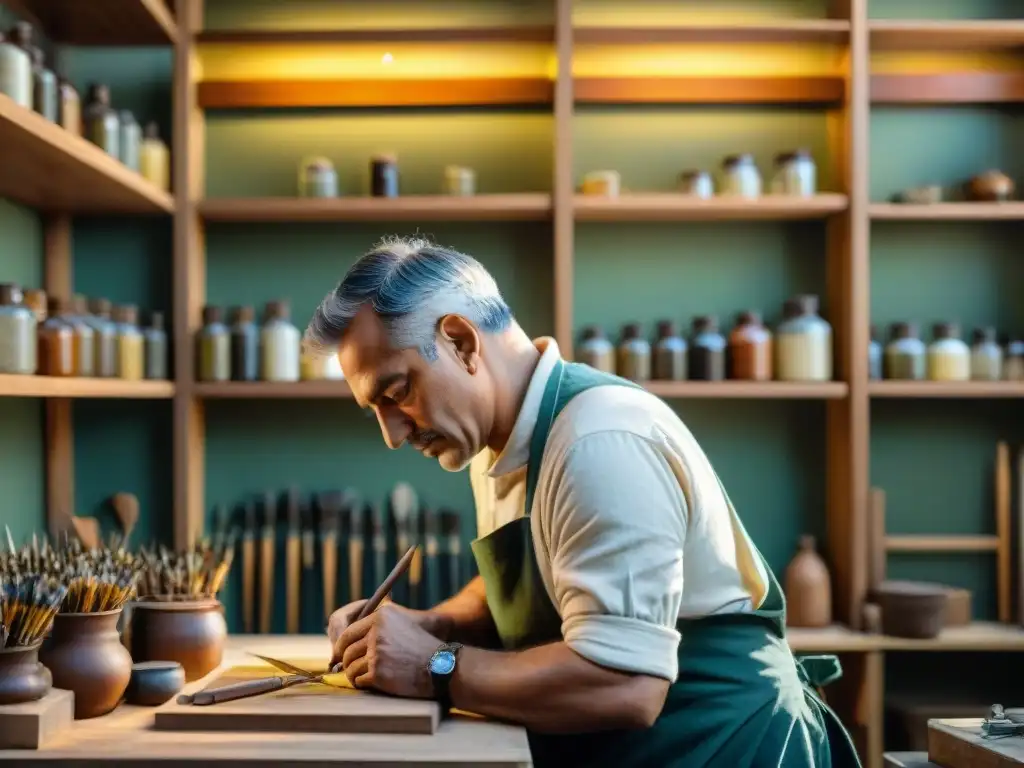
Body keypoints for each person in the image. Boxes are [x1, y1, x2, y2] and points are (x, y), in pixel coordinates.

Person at [306, 236, 860, 768]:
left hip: (726, 748)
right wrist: (431, 624)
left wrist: (432, 665)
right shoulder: (496, 443)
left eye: (397, 392)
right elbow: (553, 575)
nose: (392, 434)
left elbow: (625, 685)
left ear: (461, 342)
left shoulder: (598, 441)